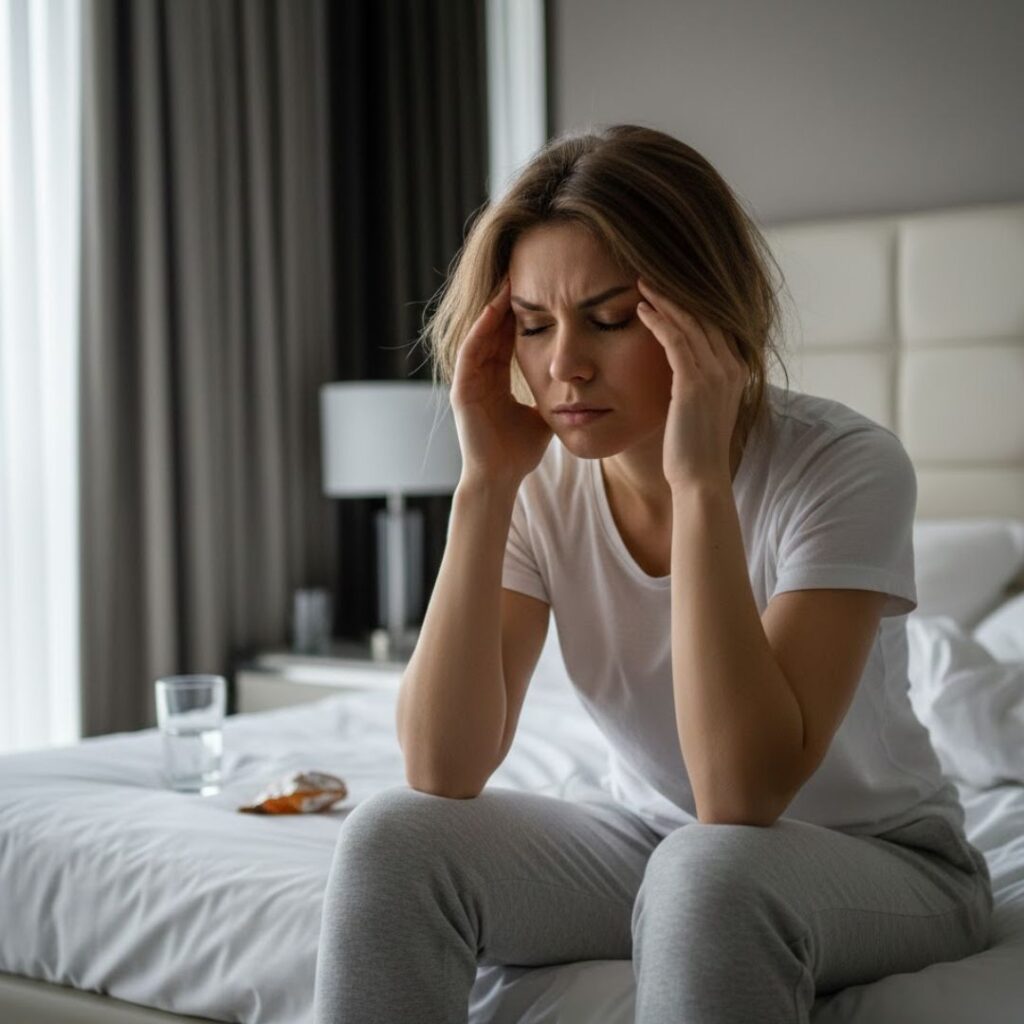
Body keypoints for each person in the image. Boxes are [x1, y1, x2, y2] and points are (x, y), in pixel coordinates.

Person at [312, 123, 993, 1024]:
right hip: (656, 841)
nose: (564, 366)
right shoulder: (541, 484)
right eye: (532, 325)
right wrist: (485, 486)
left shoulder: (845, 467)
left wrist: (700, 480)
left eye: (609, 318)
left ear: (705, 314)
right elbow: (442, 765)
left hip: (884, 859)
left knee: (710, 870)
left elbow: (740, 794)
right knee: (391, 838)